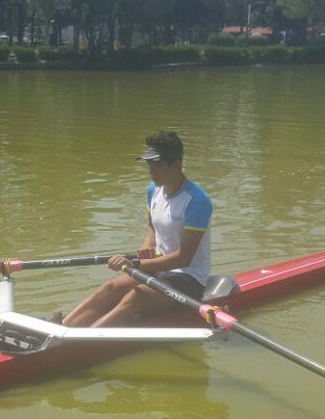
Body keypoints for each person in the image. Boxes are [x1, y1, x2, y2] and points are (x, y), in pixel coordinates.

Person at [61, 131, 212, 328]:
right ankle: (60, 328)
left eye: (157, 165)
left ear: (176, 165)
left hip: (189, 278)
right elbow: (152, 227)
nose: (151, 171)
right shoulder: (153, 189)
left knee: (135, 298)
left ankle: (78, 344)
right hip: (159, 267)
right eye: (149, 164)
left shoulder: (197, 202)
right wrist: (146, 249)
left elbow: (184, 258)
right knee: (110, 288)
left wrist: (138, 264)